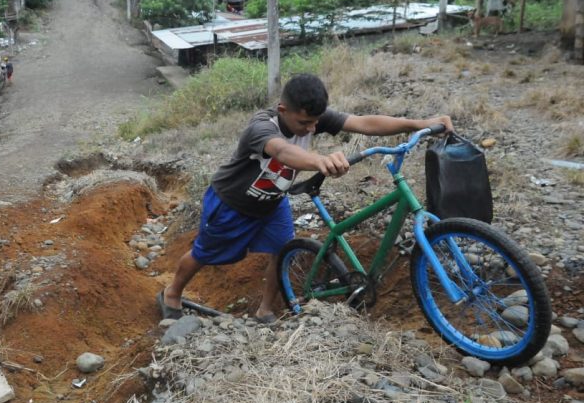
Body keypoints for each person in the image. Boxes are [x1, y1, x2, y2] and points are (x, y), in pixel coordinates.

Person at [156, 73, 453, 323]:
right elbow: (283, 152)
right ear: (283, 109)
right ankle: (172, 292)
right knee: (204, 253)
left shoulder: (313, 118)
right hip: (232, 204)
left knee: (281, 251)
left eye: (315, 122)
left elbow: (364, 123)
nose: (312, 128)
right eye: (304, 124)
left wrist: (418, 123)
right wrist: (318, 160)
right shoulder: (261, 127)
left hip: (273, 203)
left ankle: (266, 309)